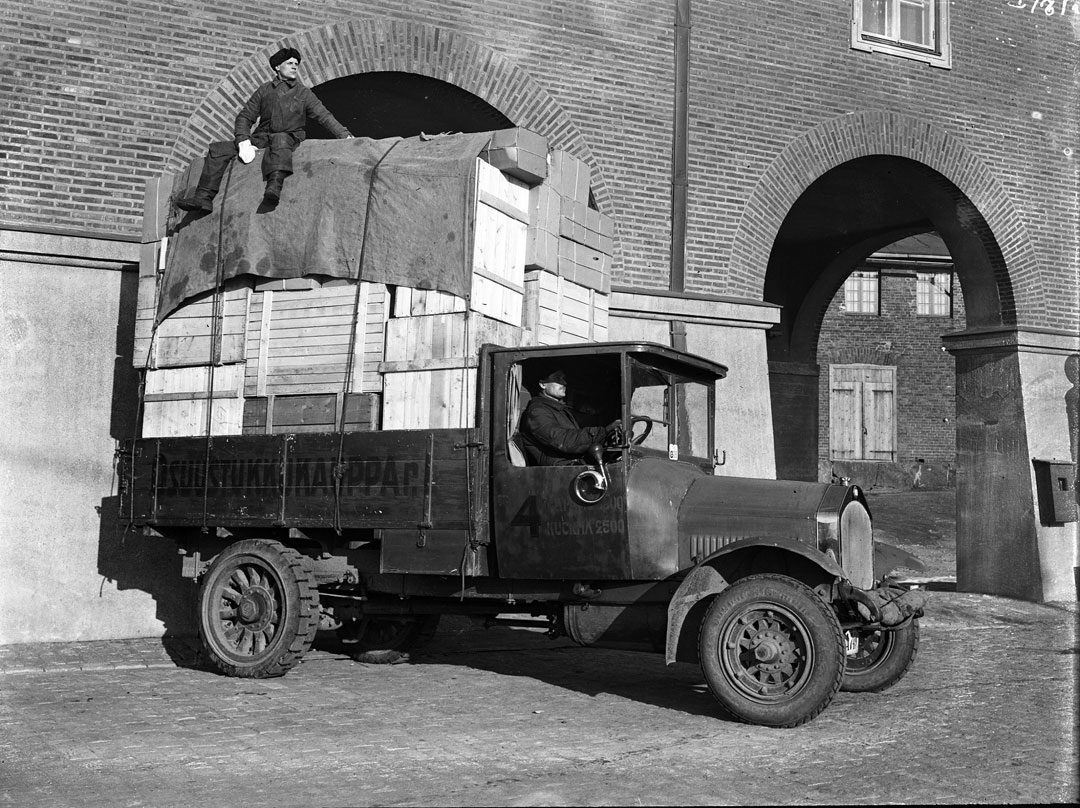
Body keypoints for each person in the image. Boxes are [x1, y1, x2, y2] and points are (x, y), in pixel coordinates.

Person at [176, 47, 353, 212]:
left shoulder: (303, 93)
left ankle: (273, 189)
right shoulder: (264, 91)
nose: (294, 67)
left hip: (289, 137)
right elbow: (245, 117)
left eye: (296, 64)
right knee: (218, 149)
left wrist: (344, 136)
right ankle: (203, 198)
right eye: (289, 63)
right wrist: (243, 141)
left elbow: (324, 116)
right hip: (261, 138)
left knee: (280, 139)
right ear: (277, 67)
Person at [518, 370, 620, 466]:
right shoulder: (537, 411)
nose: (564, 384)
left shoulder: (559, 409)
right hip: (557, 471)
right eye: (557, 379)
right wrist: (602, 432)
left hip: (568, 465)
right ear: (542, 384)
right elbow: (562, 440)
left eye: (564, 380)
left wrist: (608, 433)